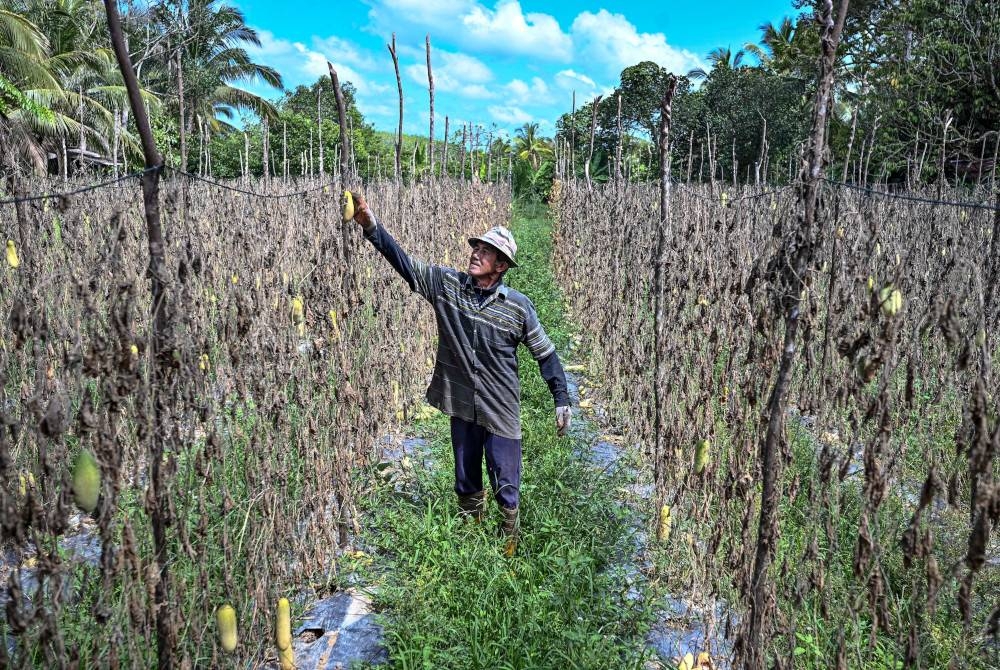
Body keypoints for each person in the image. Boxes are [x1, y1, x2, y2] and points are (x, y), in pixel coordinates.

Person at [348, 191, 571, 556]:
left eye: (485, 252)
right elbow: (404, 263)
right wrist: (371, 226)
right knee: (466, 480)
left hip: (500, 409)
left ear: (501, 266)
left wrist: (561, 399)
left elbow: (545, 354)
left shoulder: (518, 308)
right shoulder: (447, 286)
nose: (476, 253)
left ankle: (508, 548)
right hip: (463, 405)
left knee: (507, 484)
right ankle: (471, 540)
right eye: (477, 248)